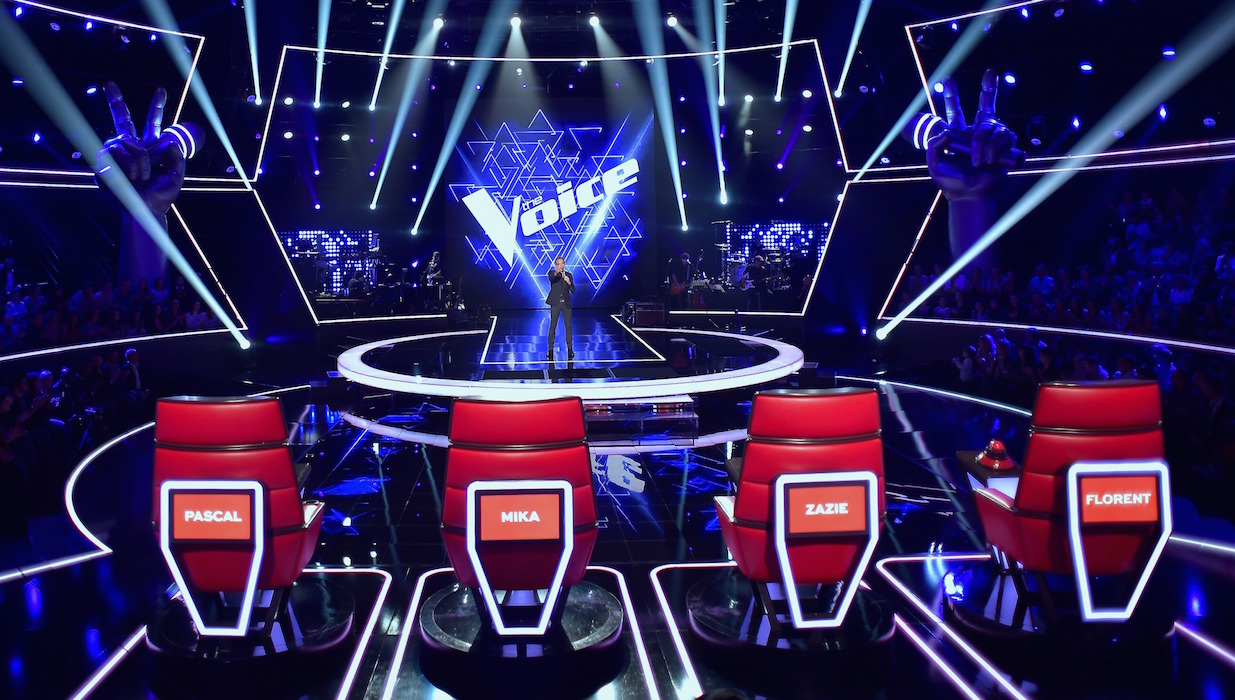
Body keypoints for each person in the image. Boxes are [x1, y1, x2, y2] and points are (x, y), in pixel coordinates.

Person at [545, 256, 575, 360]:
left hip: (566, 304)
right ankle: (550, 350)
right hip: (555, 303)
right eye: (558, 264)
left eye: (562, 264)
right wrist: (556, 272)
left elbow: (573, 290)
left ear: (564, 264)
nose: (560, 266)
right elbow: (551, 278)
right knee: (552, 326)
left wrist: (569, 282)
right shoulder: (552, 274)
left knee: (568, 326)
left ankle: (570, 349)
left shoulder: (568, 275)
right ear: (555, 265)